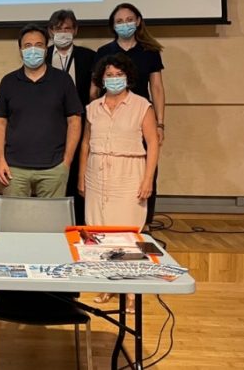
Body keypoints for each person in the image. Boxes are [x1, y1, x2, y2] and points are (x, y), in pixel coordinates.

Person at [79, 53, 159, 312]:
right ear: (101, 79)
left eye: (118, 74)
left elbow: (153, 143)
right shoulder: (93, 107)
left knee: (127, 232)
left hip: (129, 173)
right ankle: (108, 282)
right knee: (99, 230)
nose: (114, 79)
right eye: (109, 75)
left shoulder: (142, 106)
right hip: (97, 173)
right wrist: (81, 175)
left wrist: (148, 179)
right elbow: (85, 143)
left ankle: (131, 289)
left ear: (128, 77)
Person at [93, 3, 166, 227]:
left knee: (145, 168)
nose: (124, 24)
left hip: (140, 116)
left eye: (129, 20)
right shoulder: (104, 51)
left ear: (138, 21)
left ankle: (144, 223)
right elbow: (94, 87)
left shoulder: (149, 51)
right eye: (119, 21)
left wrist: (160, 123)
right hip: (110, 114)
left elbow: (157, 88)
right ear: (112, 25)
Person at [0, 24, 83, 198]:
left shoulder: (63, 80)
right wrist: (1, 160)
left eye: (39, 45)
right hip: (14, 168)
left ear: (46, 48)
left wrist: (67, 161)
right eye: (28, 45)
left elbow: (74, 120)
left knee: (51, 215)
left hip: (54, 167)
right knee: (14, 214)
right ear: (20, 50)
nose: (33, 50)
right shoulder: (8, 82)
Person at [46, 9, 97, 224]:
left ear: (75, 30)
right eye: (58, 29)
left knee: (78, 170)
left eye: (67, 28)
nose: (63, 33)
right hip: (50, 124)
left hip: (80, 122)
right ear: (50, 32)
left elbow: (94, 93)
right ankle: (54, 221)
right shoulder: (43, 55)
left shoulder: (89, 57)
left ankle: (79, 222)